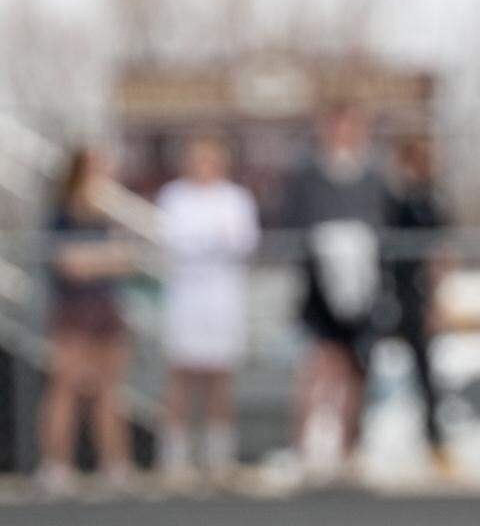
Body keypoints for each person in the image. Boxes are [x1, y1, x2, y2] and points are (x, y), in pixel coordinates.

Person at [282, 101, 392, 478]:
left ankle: (349, 448)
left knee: (357, 368)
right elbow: (294, 222)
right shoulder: (309, 175)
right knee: (321, 365)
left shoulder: (375, 175)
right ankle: (304, 448)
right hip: (320, 284)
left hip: (364, 288)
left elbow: (384, 225)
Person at [155, 132, 260, 485]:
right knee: (181, 376)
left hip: (222, 299)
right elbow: (169, 241)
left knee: (219, 376)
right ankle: (175, 455)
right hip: (185, 298)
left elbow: (243, 241)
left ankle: (218, 455)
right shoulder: (173, 196)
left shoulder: (235, 198)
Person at [37, 148, 137, 496]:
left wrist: (97, 261)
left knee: (110, 389)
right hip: (73, 309)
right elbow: (69, 264)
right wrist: (102, 259)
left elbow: (124, 259)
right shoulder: (63, 213)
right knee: (66, 386)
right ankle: (56, 465)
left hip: (105, 307)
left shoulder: (110, 212)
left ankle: (116, 464)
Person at [387, 136, 451, 473]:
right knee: (362, 363)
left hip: (417, 297)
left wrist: (436, 300)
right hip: (390, 295)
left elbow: (439, 253)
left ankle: (434, 440)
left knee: (426, 369)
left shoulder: (430, 200)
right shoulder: (391, 200)